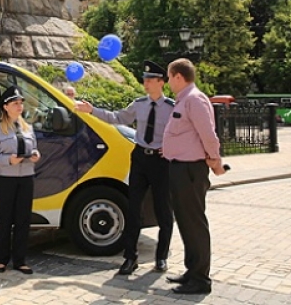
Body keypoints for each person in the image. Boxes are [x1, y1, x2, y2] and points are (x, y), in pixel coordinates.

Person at [75, 60, 175, 275]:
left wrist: (171, 148)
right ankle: (130, 257)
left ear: (161, 82)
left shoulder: (171, 108)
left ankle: (161, 257)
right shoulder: (139, 104)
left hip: (161, 161)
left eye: (150, 80)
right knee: (133, 208)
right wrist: (92, 110)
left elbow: (181, 132)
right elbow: (117, 118)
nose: (145, 83)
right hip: (140, 158)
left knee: (163, 209)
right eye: (144, 79)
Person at [162, 58, 226, 295]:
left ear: (178, 76)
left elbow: (208, 134)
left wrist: (215, 160)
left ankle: (201, 279)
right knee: (185, 221)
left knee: (194, 222)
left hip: (190, 170)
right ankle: (192, 270)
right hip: (180, 168)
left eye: (169, 77)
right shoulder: (184, 99)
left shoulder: (194, 99)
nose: (168, 82)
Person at [0, 86, 41, 274]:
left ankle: (20, 260)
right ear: (6, 107)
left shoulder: (28, 128)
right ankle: (1, 260)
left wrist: (35, 155)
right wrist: (7, 160)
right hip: (6, 178)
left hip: (26, 178)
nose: (19, 106)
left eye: (21, 103)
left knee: (23, 220)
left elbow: (34, 148)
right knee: (5, 219)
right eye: (15, 103)